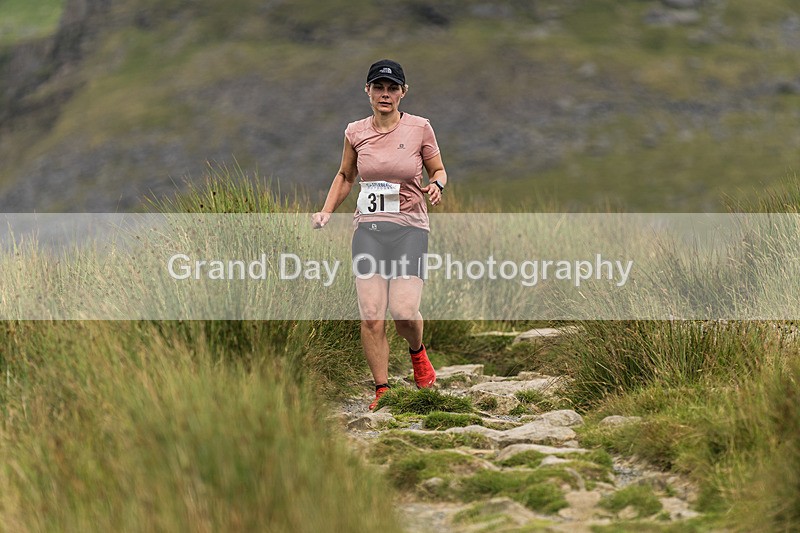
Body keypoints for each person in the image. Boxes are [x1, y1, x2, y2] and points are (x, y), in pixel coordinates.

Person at [311, 59, 448, 410]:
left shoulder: (420, 128)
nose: (384, 94)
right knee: (372, 315)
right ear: (368, 91)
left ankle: (418, 353)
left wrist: (437, 186)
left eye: (392, 88)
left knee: (403, 311)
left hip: (410, 229)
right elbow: (345, 176)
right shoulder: (355, 132)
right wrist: (327, 211)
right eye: (378, 87)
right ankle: (383, 390)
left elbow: (439, 170)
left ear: (403, 92)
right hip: (369, 230)